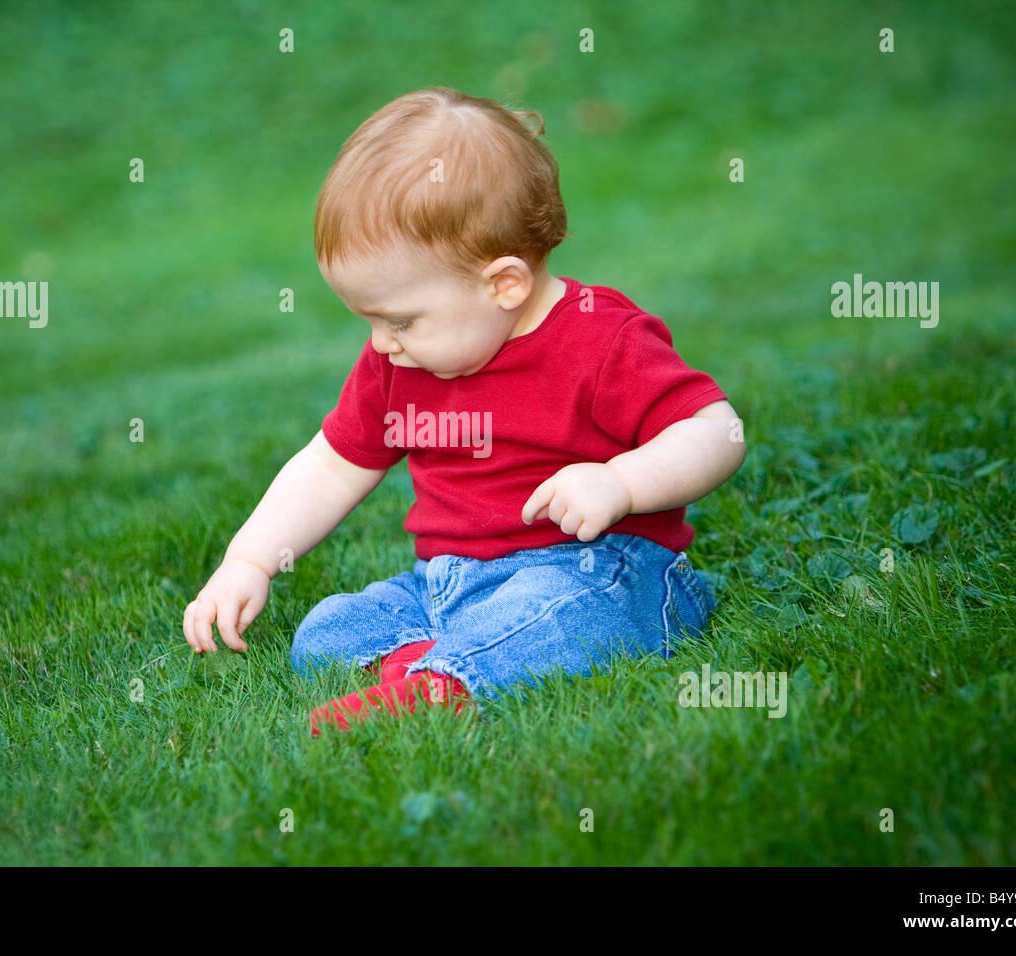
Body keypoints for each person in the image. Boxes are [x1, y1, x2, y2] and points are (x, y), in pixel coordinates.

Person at [182, 87, 746, 737]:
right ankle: (438, 673)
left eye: (398, 319)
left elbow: (717, 430)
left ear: (503, 284)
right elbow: (332, 467)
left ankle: (446, 680)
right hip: (444, 585)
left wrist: (623, 481)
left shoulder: (599, 339)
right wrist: (248, 560)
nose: (380, 342)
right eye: (368, 320)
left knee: (558, 613)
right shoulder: (399, 363)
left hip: (598, 569)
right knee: (327, 632)